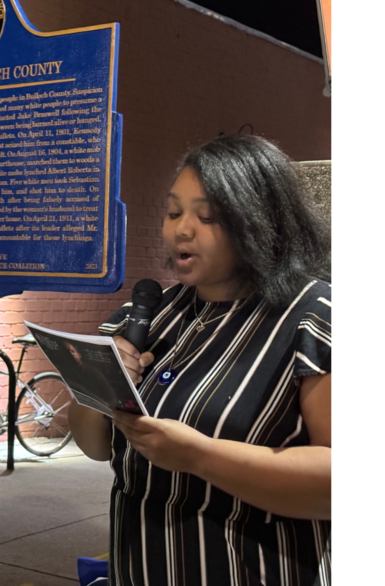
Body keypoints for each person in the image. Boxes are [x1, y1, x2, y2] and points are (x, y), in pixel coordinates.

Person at [69, 134, 331, 585]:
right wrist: (96, 386)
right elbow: (95, 447)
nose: (181, 230)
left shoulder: (314, 316)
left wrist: (199, 456)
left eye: (205, 216)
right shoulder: (147, 313)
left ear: (259, 222)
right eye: (173, 212)